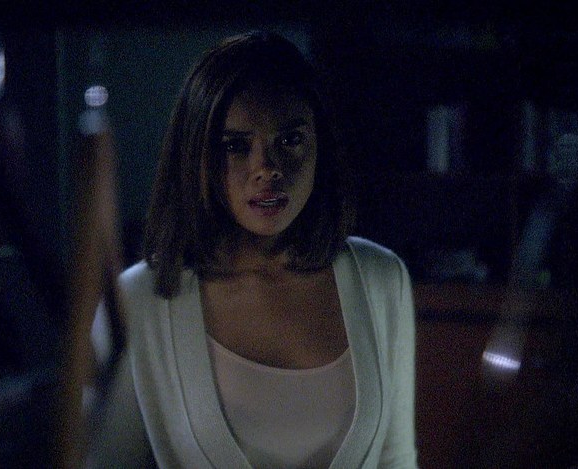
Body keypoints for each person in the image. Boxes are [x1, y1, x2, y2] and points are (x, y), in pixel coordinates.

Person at [96, 31, 417, 469]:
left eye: (289, 140)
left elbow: (396, 459)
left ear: (320, 145)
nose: (266, 169)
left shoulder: (381, 280)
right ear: (198, 156)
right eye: (235, 146)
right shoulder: (139, 300)